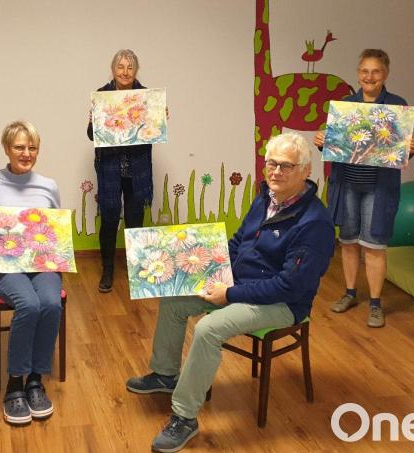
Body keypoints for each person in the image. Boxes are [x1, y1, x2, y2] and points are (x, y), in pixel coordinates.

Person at [126, 133, 335, 452]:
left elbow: (291, 285)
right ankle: (166, 375)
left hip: (282, 302)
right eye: (271, 163)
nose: (276, 171)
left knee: (208, 329)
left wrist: (231, 294)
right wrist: (207, 267)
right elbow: (239, 242)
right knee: (174, 298)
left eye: (286, 166)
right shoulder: (265, 198)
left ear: (306, 171)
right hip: (237, 283)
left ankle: (185, 417)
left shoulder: (314, 223)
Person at [0, 121, 62, 425]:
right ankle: (15, 383)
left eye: (32, 147)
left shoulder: (48, 186)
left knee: (51, 303)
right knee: (29, 304)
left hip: (39, 264)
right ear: (6, 148)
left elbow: (54, 232)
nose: (26, 153)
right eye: (19, 147)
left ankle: (36, 380)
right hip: (1, 266)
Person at [314, 49, 414, 328]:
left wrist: (407, 148)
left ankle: (375, 303)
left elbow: (396, 152)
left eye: (375, 71)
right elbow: (337, 147)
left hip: (378, 188)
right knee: (348, 242)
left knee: (374, 245)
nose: (369, 77)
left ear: (385, 74)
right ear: (358, 73)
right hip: (347, 184)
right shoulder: (347, 105)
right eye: (364, 71)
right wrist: (324, 142)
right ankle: (350, 293)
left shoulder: (396, 106)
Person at [87, 49, 154, 293]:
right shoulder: (102, 96)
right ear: (113, 69)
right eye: (120, 67)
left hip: (137, 169)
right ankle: (108, 270)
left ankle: (138, 271)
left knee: (135, 219)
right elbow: (91, 135)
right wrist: (93, 121)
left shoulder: (146, 97)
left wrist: (159, 118)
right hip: (110, 168)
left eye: (130, 67)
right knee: (109, 218)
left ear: (136, 71)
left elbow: (153, 133)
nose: (125, 72)